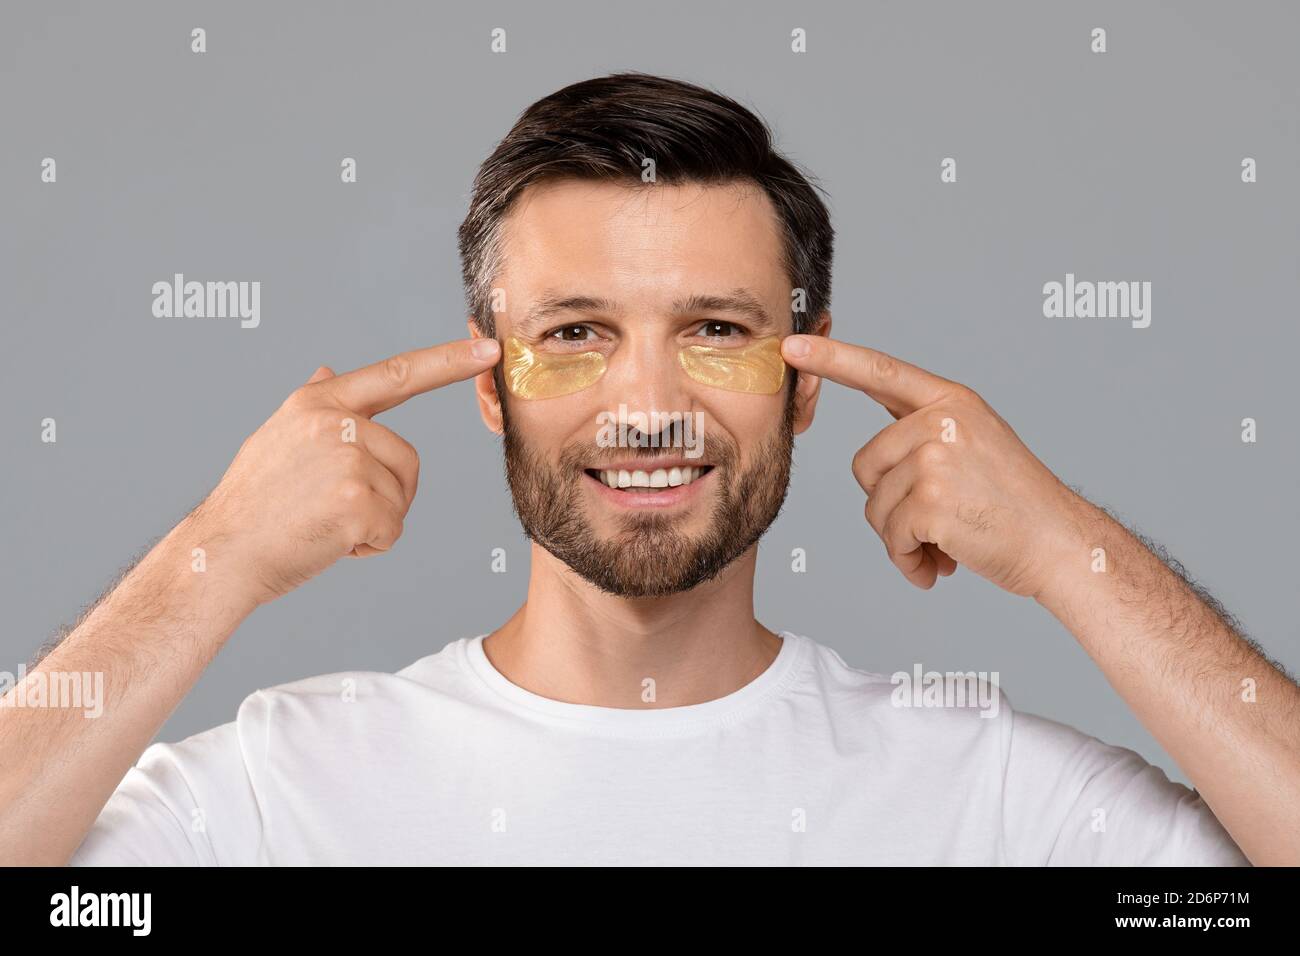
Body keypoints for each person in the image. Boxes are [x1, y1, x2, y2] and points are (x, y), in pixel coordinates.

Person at [4, 73, 1294, 866]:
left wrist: (1076, 553)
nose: (646, 406)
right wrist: (213, 558)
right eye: (576, 335)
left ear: (806, 381)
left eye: (716, 332)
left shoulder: (995, 796)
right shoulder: (282, 796)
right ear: (489, 381)